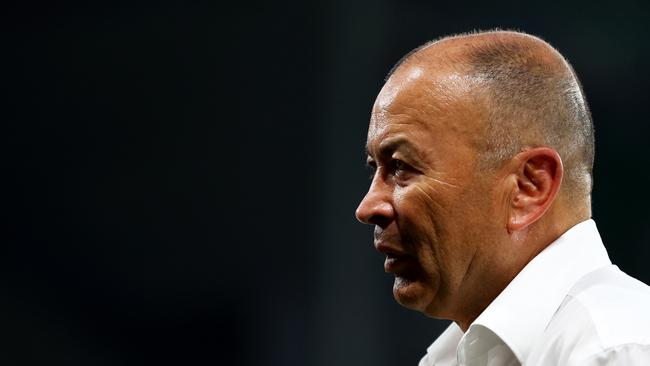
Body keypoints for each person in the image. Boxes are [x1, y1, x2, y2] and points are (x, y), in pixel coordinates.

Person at [355, 30, 650, 366]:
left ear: (528, 188)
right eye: (374, 169)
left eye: (401, 167)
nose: (368, 207)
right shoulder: (452, 357)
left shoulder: (620, 350)